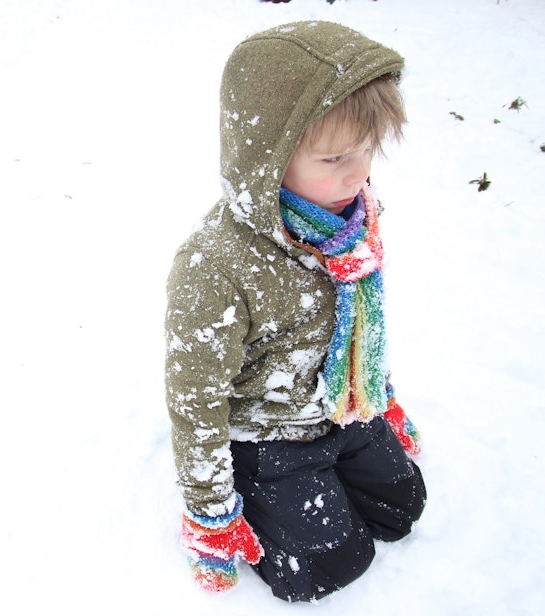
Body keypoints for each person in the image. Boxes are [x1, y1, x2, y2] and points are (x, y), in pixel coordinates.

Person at [166, 21, 426, 603]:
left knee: (402, 507)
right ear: (269, 156)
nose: (358, 174)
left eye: (367, 151)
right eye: (334, 157)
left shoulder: (344, 222)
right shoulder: (215, 266)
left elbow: (359, 328)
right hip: (267, 430)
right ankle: (269, 498)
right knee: (331, 566)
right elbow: (195, 395)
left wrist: (374, 395)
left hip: (337, 407)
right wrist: (210, 512)